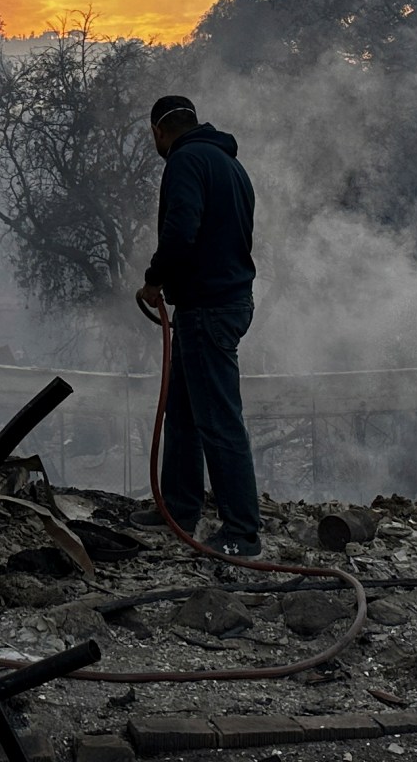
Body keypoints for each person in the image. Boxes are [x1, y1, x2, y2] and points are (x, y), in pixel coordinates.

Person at [134, 94, 262, 557]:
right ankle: (180, 509)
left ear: (158, 132)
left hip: (208, 307)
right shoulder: (230, 165)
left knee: (218, 420)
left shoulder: (185, 162)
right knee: (184, 413)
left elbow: (181, 230)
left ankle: (242, 533)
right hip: (222, 302)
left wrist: (154, 280)